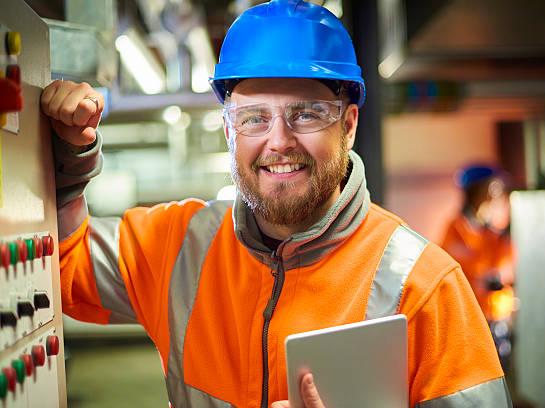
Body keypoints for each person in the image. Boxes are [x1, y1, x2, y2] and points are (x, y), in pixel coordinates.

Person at [42, 1, 511, 407]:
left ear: (348, 126)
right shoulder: (176, 247)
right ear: (229, 130)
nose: (278, 141)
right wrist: (65, 159)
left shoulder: (427, 287)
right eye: (253, 118)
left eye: (306, 114)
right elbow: (59, 262)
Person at [441, 165, 516, 369]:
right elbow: (464, 270)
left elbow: (506, 268)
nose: (496, 194)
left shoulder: (495, 233)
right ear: (476, 191)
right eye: (492, 188)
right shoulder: (456, 230)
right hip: (471, 321)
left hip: (498, 319)